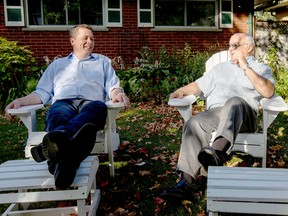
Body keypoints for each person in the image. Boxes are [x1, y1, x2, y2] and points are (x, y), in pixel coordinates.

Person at [5, 24, 130, 190]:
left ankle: (52, 151)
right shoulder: (57, 65)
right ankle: (65, 163)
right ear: (72, 40)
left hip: (90, 104)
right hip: (63, 103)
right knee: (57, 115)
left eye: (92, 38)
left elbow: (112, 87)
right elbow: (42, 93)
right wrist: (21, 101)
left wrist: (118, 94)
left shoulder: (103, 63)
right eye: (85, 37)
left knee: (98, 108)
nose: (90, 41)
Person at [160, 33, 275, 200]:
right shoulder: (220, 68)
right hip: (216, 113)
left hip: (243, 115)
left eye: (235, 45)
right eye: (229, 45)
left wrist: (244, 66)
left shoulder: (260, 68)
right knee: (193, 123)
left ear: (249, 48)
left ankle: (217, 152)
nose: (230, 49)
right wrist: (180, 91)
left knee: (234, 102)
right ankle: (186, 183)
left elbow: (268, 91)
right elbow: (199, 85)